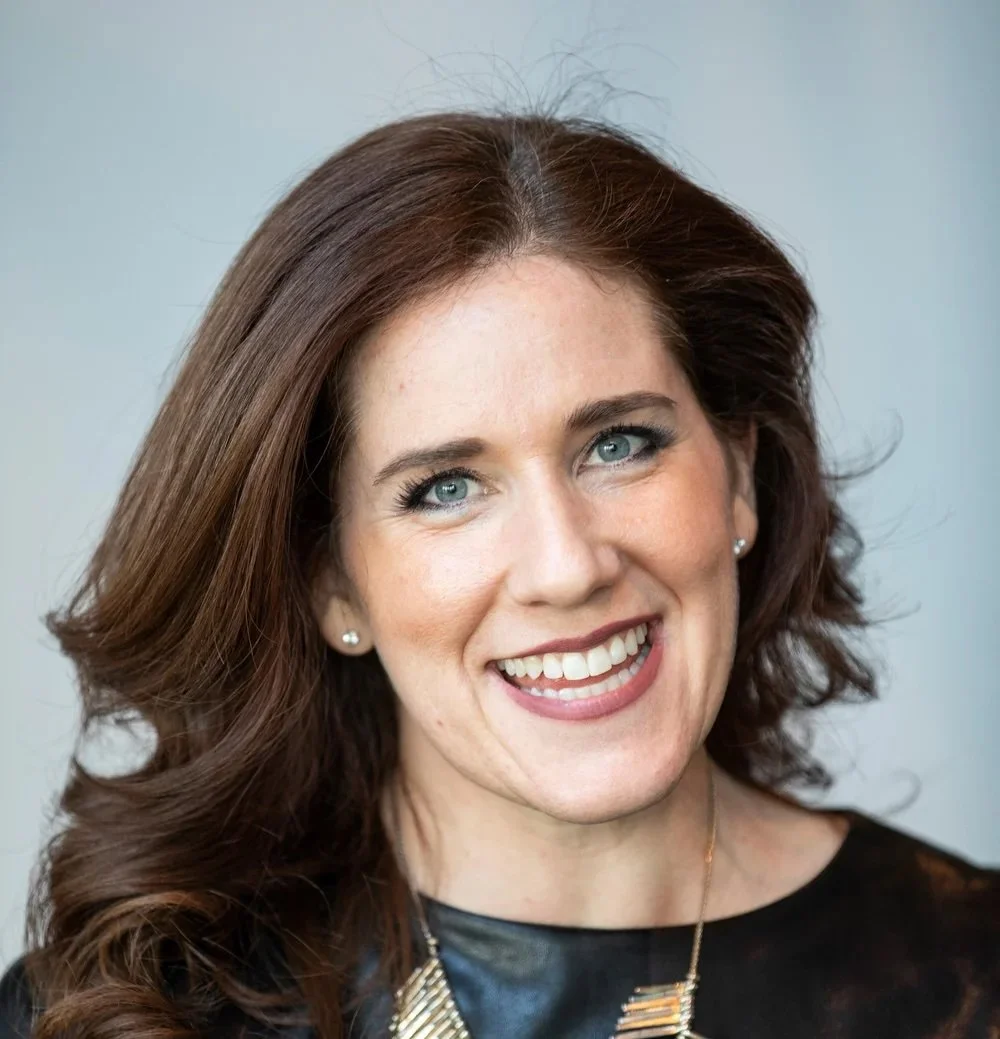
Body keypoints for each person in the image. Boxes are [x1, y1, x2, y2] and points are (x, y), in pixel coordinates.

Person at [1, 108, 996, 1039]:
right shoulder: (128, 1011)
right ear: (330, 584)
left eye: (618, 444)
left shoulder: (971, 970)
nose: (566, 566)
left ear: (738, 474)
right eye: (444, 488)